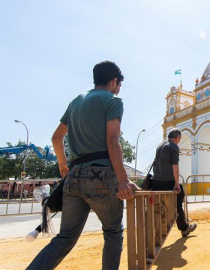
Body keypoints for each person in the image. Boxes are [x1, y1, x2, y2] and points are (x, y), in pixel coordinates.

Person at [27, 61, 139, 270]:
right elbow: (112, 141)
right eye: (119, 84)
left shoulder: (76, 101)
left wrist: (63, 163)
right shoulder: (113, 100)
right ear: (114, 81)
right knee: (113, 232)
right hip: (101, 176)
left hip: (74, 176)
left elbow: (56, 138)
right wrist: (123, 180)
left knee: (66, 237)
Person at [151, 129, 197, 237]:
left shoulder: (160, 146)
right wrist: (177, 183)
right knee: (178, 198)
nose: (179, 141)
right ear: (177, 137)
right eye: (180, 139)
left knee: (159, 205)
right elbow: (175, 166)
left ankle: (158, 229)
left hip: (155, 181)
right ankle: (184, 228)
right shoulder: (173, 146)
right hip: (167, 181)